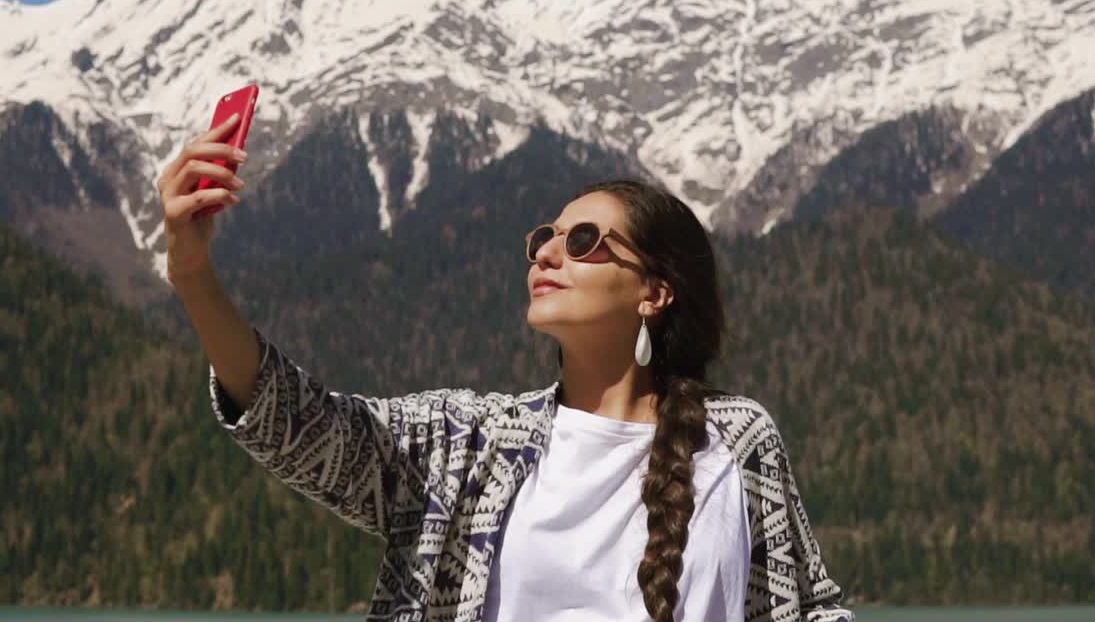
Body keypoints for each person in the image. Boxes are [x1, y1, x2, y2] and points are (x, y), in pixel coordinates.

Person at [158, 114, 855, 622]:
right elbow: (297, 425)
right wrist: (192, 273)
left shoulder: (736, 443)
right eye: (543, 238)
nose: (546, 253)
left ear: (655, 291)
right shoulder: (467, 443)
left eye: (583, 241)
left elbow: (811, 611)